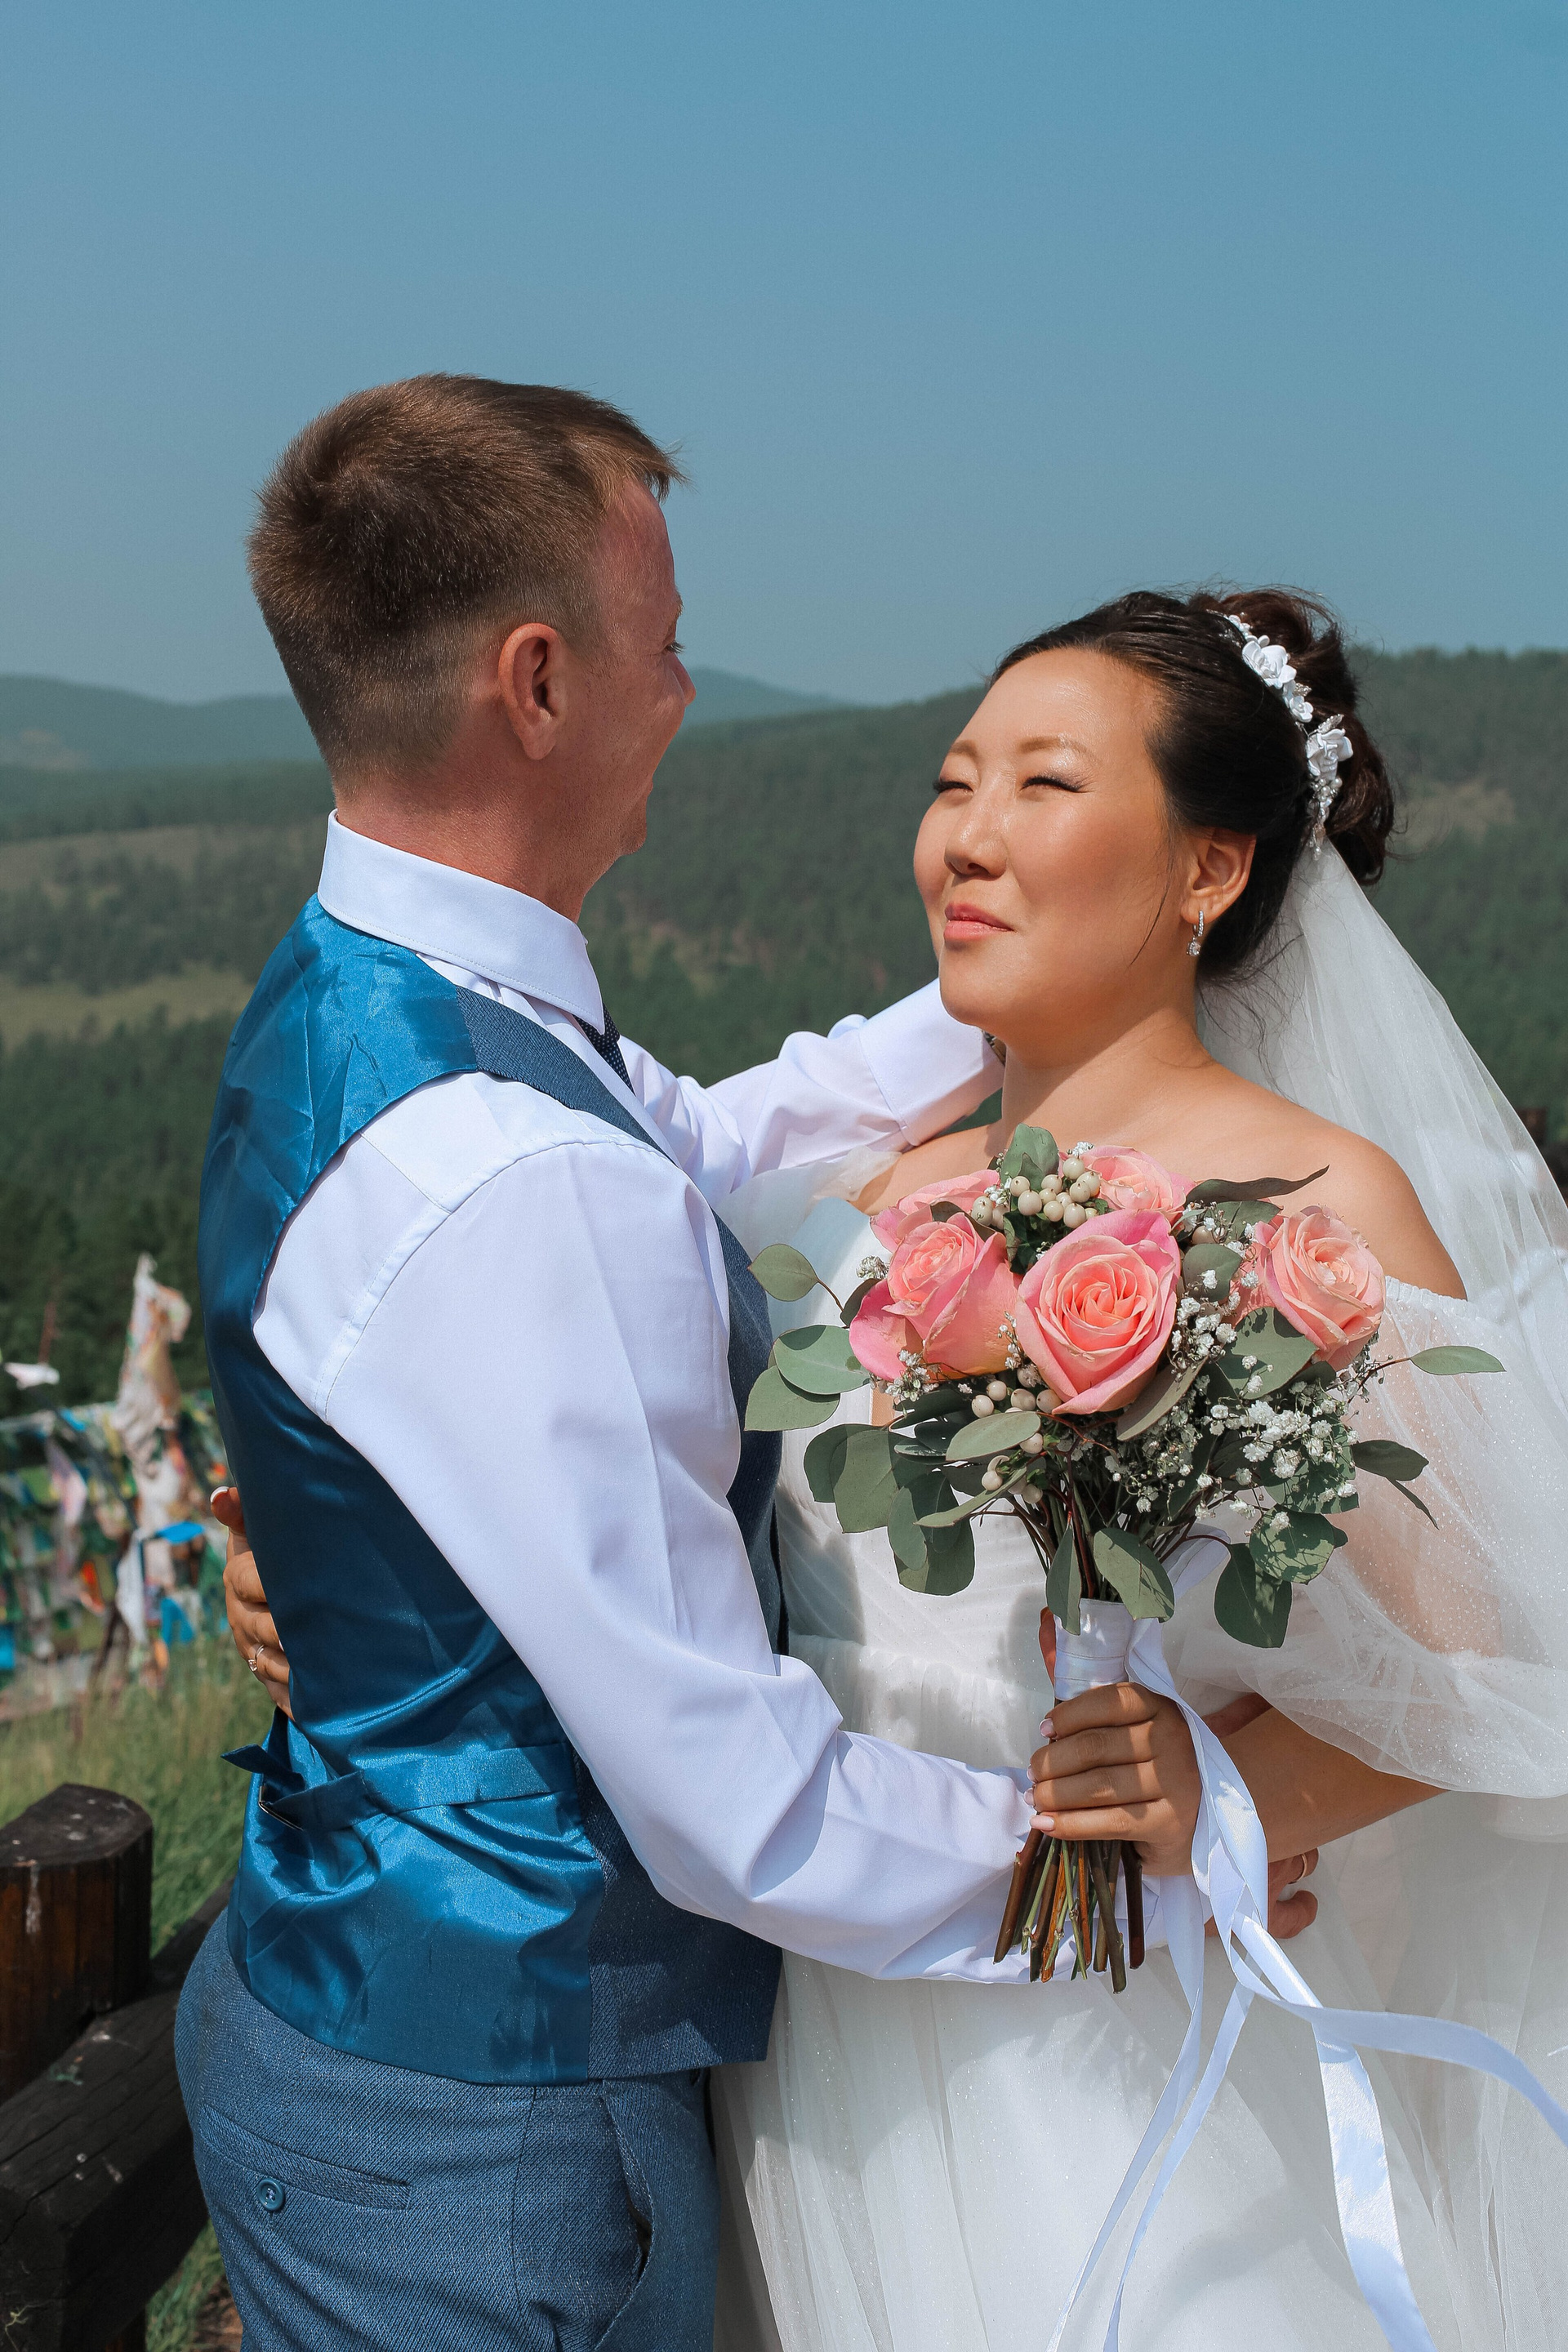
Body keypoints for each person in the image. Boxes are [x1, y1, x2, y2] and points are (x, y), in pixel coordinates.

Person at [225, 578, 1568, 2345]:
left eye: (1045, 786)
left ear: (1211, 869)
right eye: (953, 781)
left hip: (1104, 2013)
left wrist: (1225, 1801)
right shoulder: (843, 1194)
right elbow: (593, 1455)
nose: (969, 838)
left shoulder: (1318, 1212)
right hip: (813, 2029)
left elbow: (1488, 1663)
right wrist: (359, 1583)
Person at [180, 374, 1136, 2352]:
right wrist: (1094, 1878)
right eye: (668, 640)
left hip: (353, 2009)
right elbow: (735, 1802)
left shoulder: (378, 986)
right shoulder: (513, 1178)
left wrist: (1022, 982)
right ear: (538, 684)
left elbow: (688, 1140)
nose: (691, 691)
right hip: (484, 2142)